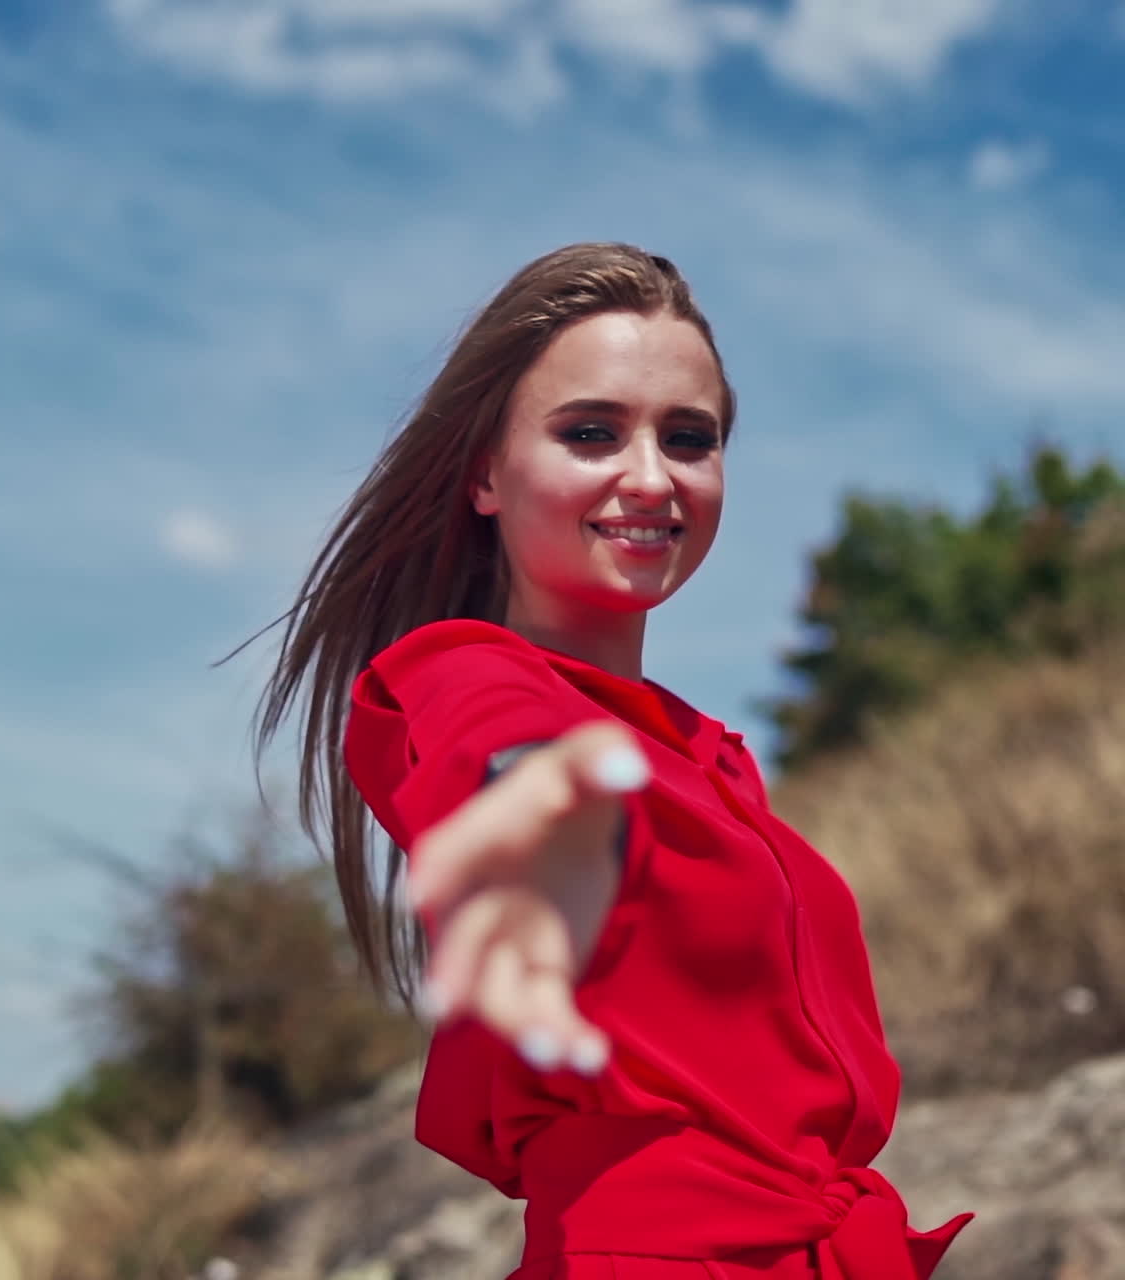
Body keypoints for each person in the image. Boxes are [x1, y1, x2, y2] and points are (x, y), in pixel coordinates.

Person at [254, 243, 972, 1279]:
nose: (649, 475)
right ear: (485, 474)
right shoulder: (462, 682)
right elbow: (491, 760)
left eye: (689, 437)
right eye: (590, 432)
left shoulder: (704, 758)